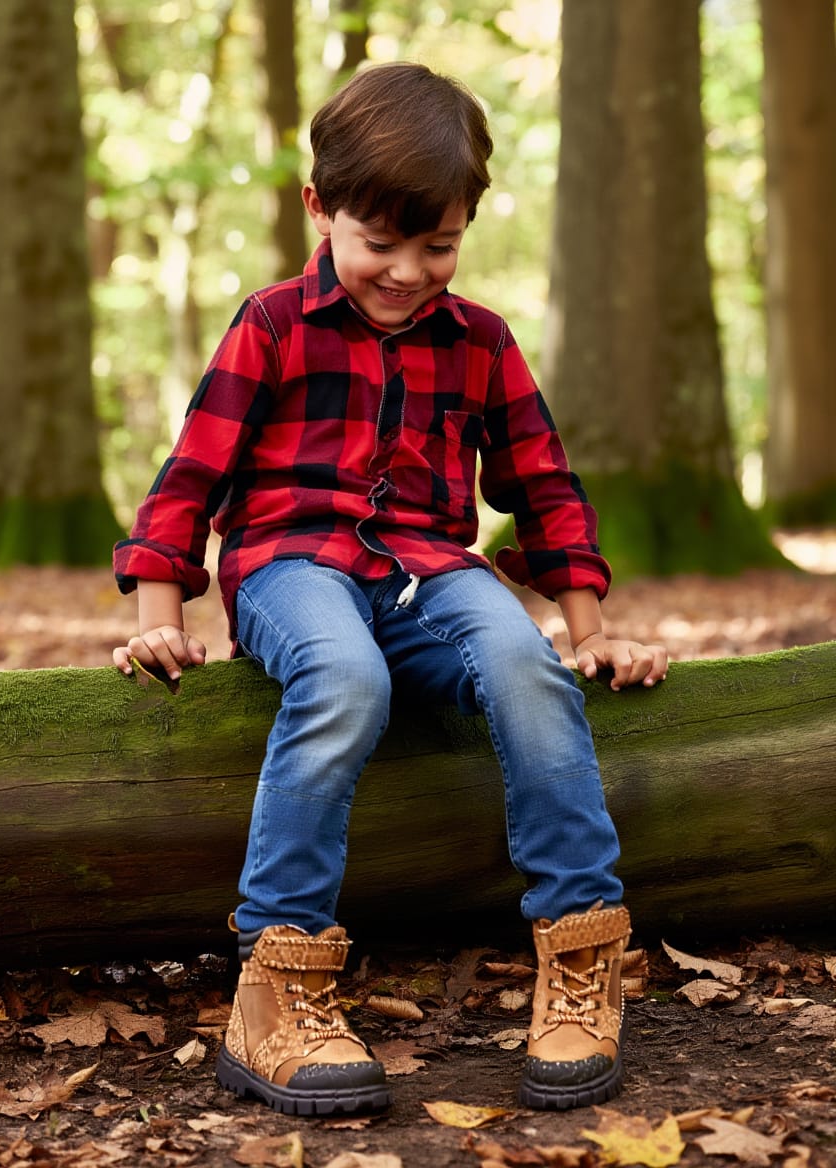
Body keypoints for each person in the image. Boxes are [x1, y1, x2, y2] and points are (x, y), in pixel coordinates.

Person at [113, 61, 668, 1118]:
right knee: (345, 677)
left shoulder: (481, 342)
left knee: (527, 669)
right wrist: (157, 618)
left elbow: (542, 486)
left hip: (428, 572)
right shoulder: (274, 323)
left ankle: (580, 954)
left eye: (439, 246)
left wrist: (589, 629)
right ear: (320, 209)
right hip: (291, 564)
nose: (409, 272)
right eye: (381, 242)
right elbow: (193, 475)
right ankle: (277, 982)